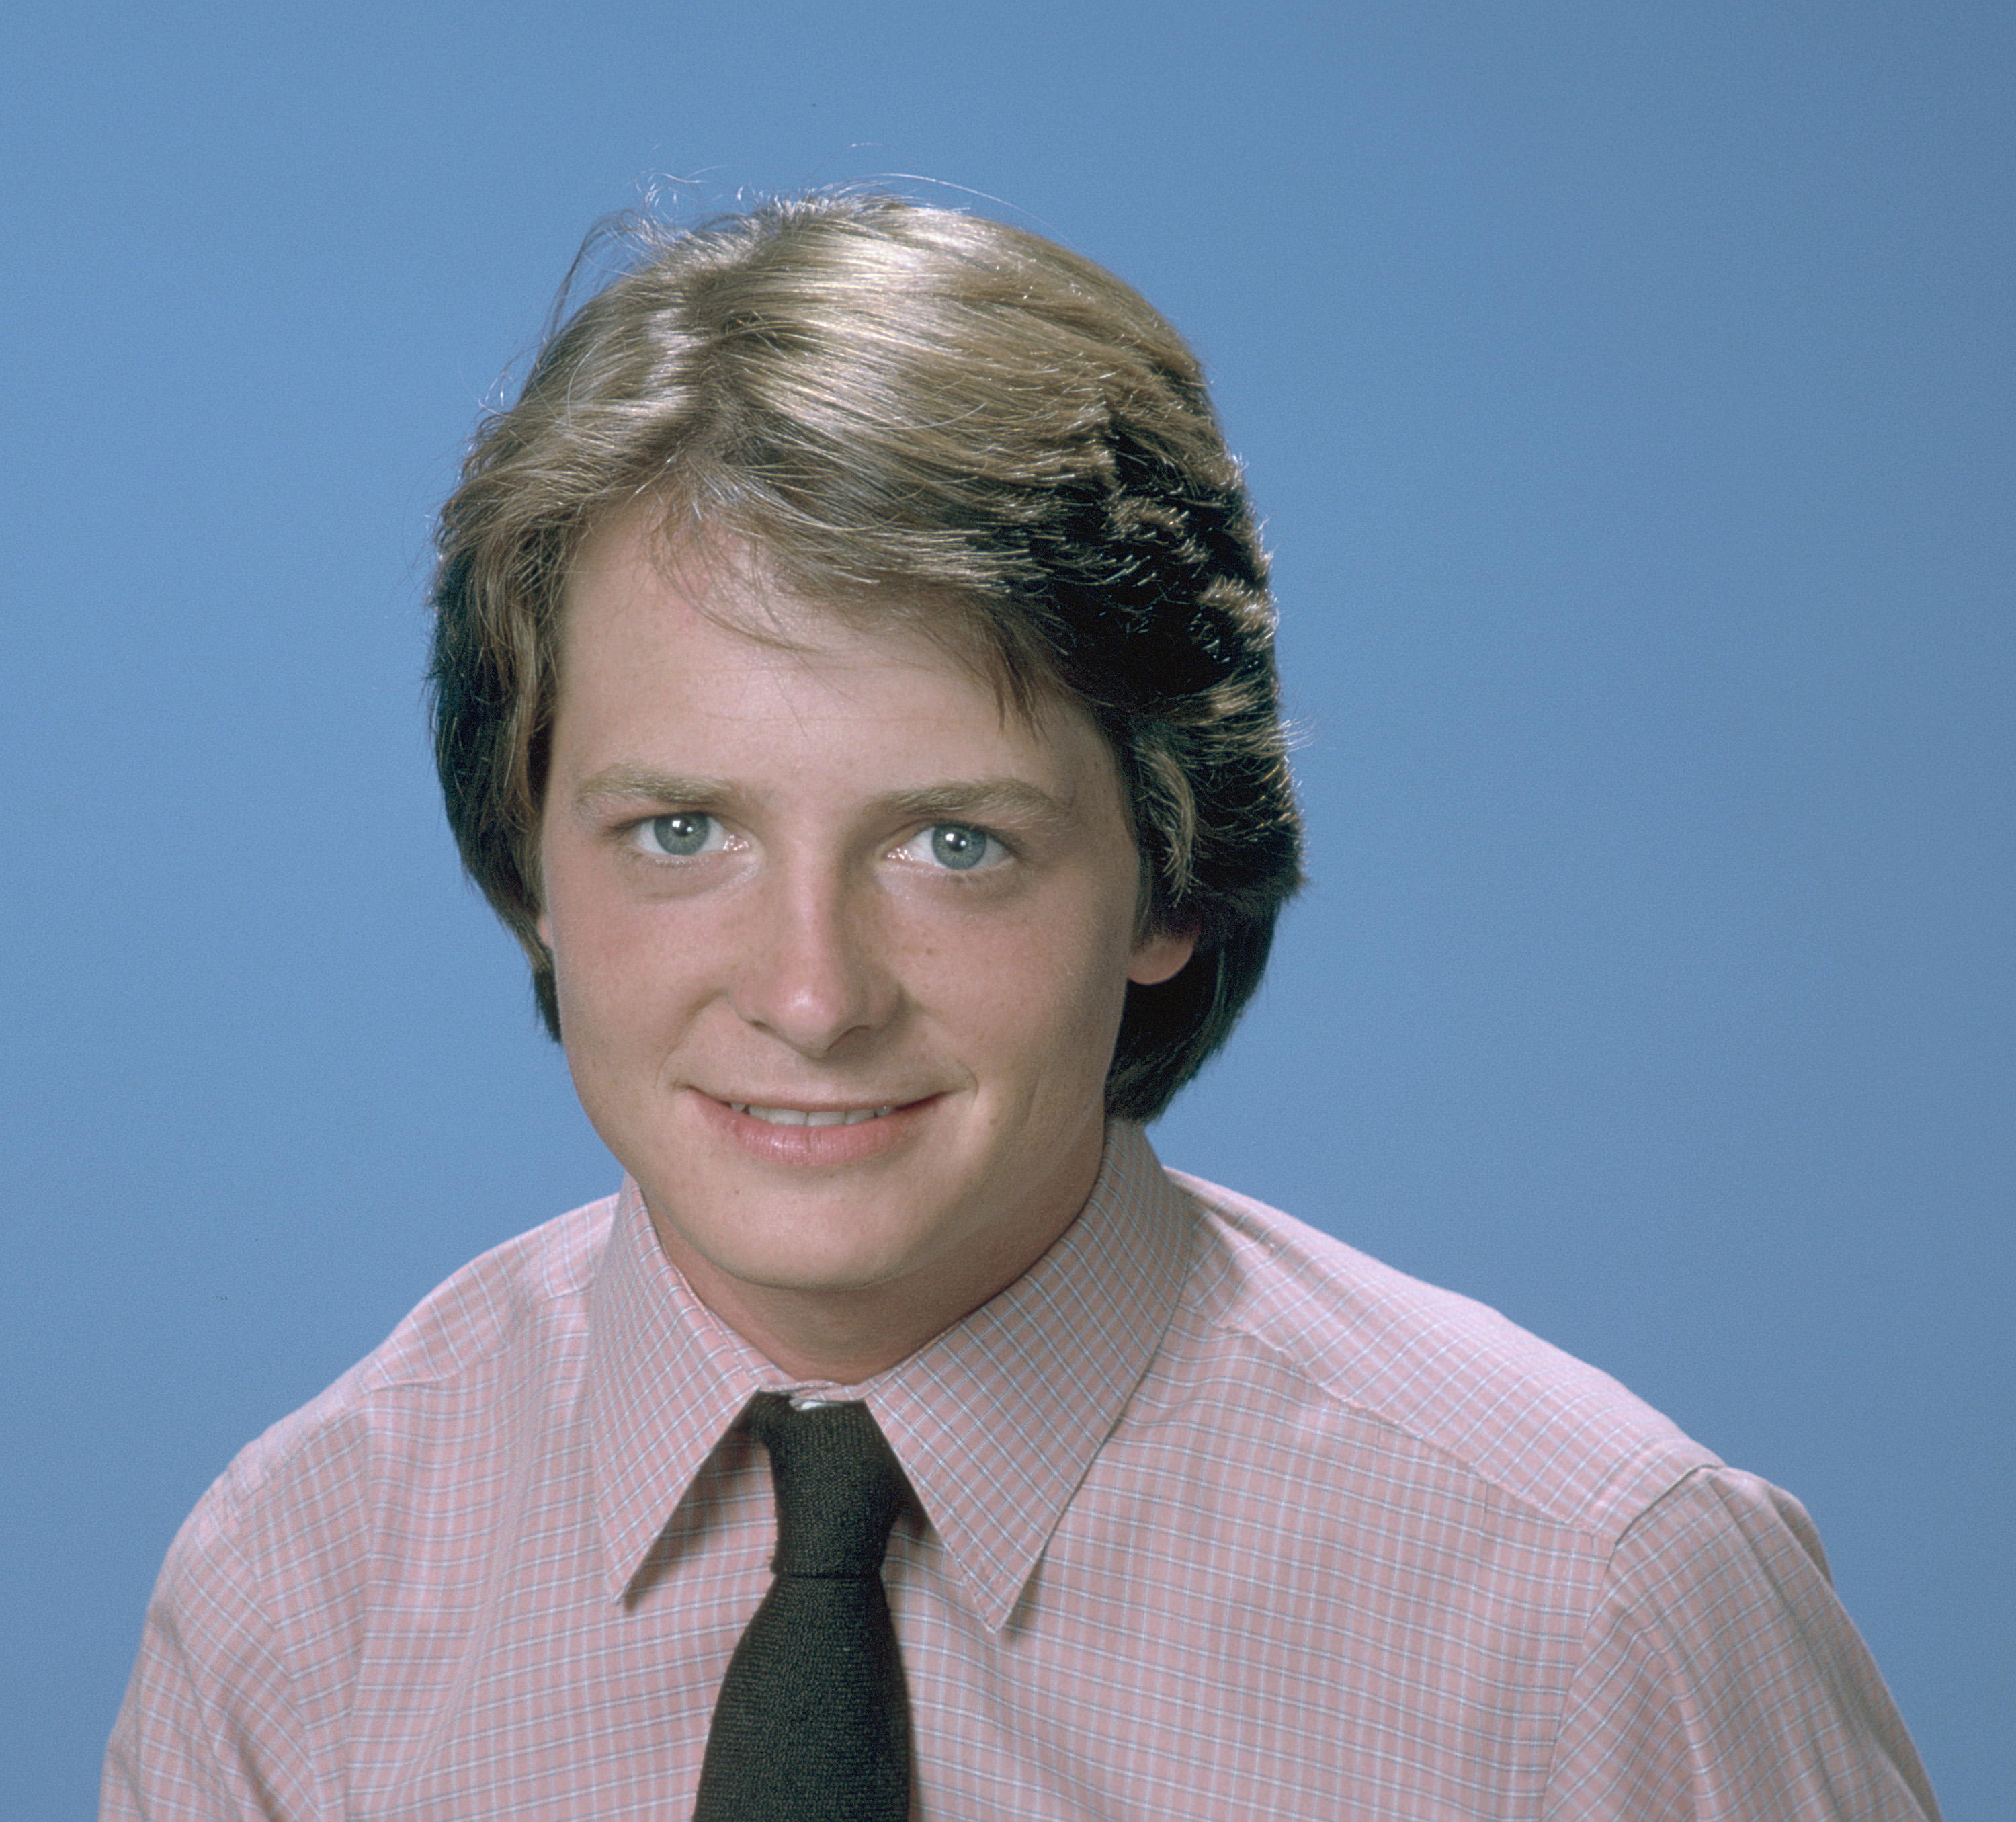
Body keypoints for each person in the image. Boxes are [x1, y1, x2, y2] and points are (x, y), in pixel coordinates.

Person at [103, 194, 1941, 1819]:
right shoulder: (306, 1595)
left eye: (956, 844)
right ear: (529, 871)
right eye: (681, 830)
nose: (812, 995)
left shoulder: (1592, 1612)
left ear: (1168, 870)